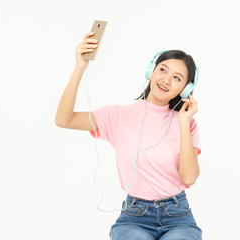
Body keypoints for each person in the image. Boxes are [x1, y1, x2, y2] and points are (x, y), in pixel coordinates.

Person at [55, 32, 203, 240]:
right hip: (135, 217)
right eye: (163, 70)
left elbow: (189, 177)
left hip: (178, 216)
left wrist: (183, 122)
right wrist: (80, 67)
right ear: (151, 71)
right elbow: (64, 119)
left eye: (177, 78)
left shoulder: (187, 123)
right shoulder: (117, 116)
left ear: (186, 90)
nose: (166, 80)